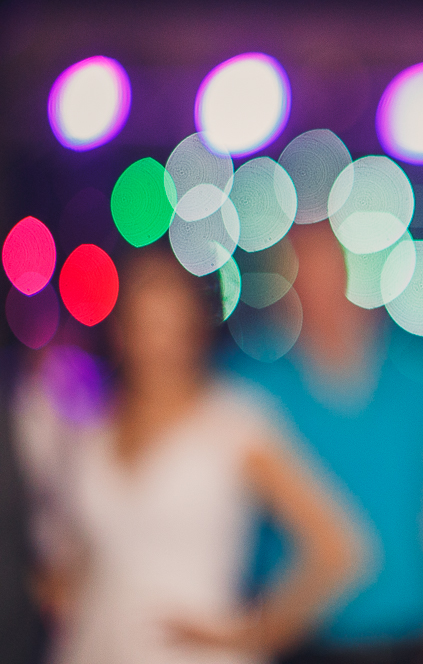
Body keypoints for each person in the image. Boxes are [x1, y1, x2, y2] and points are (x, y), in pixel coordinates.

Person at [32, 246, 360, 664]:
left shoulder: (233, 420)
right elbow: (84, 559)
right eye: (143, 323)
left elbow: (340, 549)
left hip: (193, 652)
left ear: (194, 330)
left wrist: (258, 631)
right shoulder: (91, 428)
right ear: (120, 329)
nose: (156, 343)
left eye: (170, 324)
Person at [224, 223, 423, 663]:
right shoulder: (254, 388)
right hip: (304, 638)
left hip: (419, 634)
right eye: (306, 277)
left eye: (332, 272)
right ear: (287, 288)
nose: (321, 292)